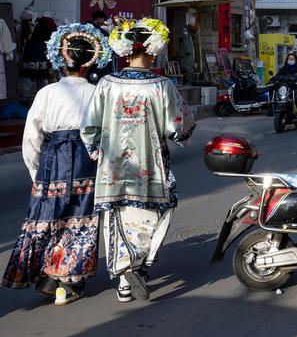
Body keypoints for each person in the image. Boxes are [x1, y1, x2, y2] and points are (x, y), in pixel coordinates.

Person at [81, 17, 196, 303]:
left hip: (113, 167)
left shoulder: (107, 83)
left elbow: (89, 125)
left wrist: (95, 148)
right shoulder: (161, 85)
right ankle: (140, 264)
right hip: (151, 164)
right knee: (154, 214)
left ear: (126, 51)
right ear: (152, 50)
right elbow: (177, 124)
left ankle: (124, 276)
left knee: (117, 216)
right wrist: (182, 134)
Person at [2, 24, 112, 304]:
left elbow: (31, 139)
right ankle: (70, 279)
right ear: (90, 62)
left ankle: (49, 275)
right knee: (80, 219)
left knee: (48, 217)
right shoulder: (98, 92)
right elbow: (106, 134)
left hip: (53, 161)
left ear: (60, 61)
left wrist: (35, 171)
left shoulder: (46, 93)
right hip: (88, 161)